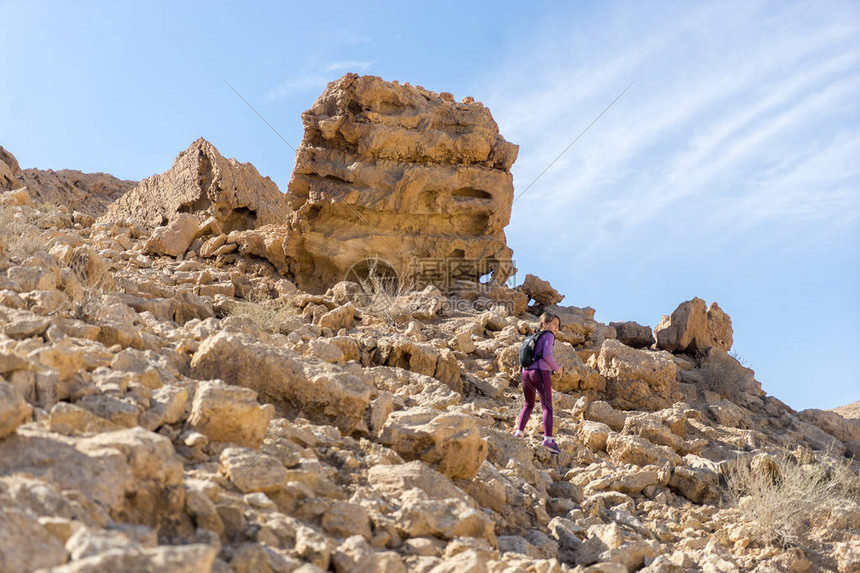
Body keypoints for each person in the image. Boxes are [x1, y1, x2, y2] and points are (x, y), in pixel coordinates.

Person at [513, 312, 563, 453]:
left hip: (526, 373)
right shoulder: (548, 335)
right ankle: (548, 440)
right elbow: (546, 355)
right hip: (540, 373)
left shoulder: (532, 336)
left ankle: (518, 433)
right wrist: (558, 369)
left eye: (558, 326)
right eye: (554, 324)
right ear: (545, 323)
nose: (556, 328)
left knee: (528, 404)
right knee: (547, 407)